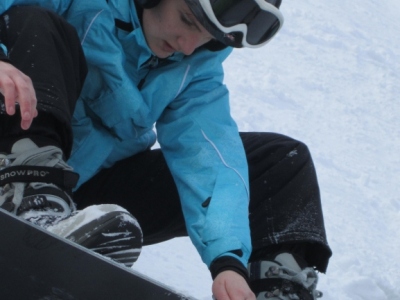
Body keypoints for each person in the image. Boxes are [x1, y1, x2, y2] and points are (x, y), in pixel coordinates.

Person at [0, 0, 332, 299]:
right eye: (188, 20)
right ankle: (28, 199)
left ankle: (273, 291)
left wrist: (228, 261)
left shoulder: (192, 68)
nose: (188, 46)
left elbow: (208, 156)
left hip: (79, 197)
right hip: (9, 159)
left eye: (206, 36)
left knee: (279, 161)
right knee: (35, 23)